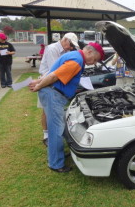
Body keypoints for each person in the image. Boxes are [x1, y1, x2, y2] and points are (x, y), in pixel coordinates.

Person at [29, 42, 104, 173]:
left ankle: (58, 155)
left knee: (61, 125)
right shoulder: (77, 61)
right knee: (56, 130)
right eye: (95, 60)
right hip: (54, 95)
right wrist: (39, 86)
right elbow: (53, 76)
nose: (93, 63)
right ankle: (56, 163)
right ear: (90, 52)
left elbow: (54, 72)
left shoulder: (73, 55)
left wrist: (39, 82)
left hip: (53, 93)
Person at [38, 33, 79, 147]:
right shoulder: (52, 49)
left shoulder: (66, 51)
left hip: (55, 83)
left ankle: (55, 135)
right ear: (65, 39)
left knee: (54, 110)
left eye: (72, 46)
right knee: (46, 110)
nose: (71, 48)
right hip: (47, 82)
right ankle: (46, 135)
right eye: (70, 45)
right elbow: (55, 70)